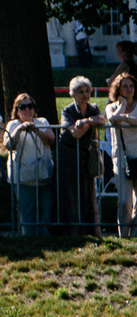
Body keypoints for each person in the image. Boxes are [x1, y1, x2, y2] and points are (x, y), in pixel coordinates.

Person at [4, 93, 57, 238]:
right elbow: (8, 145)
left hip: (43, 173)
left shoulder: (42, 121)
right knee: (27, 209)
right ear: (17, 109)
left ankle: (46, 237)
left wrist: (36, 130)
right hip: (22, 175)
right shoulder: (12, 124)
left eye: (30, 106)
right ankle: (29, 238)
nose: (27, 110)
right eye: (23, 107)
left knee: (47, 207)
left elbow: (51, 140)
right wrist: (20, 129)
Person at [58, 76, 106, 236]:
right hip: (68, 156)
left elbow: (101, 120)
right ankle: (71, 234)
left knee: (88, 193)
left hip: (86, 157)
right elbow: (75, 133)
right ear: (73, 94)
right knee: (70, 195)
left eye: (87, 91)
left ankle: (91, 232)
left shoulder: (92, 108)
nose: (85, 95)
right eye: (80, 92)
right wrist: (90, 123)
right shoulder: (68, 111)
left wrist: (86, 120)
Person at [109, 73, 137, 238]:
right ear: (118, 89)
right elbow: (113, 119)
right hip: (121, 159)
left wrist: (125, 117)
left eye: (131, 86)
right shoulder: (112, 106)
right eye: (125, 86)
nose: (129, 89)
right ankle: (124, 236)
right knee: (125, 201)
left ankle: (135, 236)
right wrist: (123, 105)